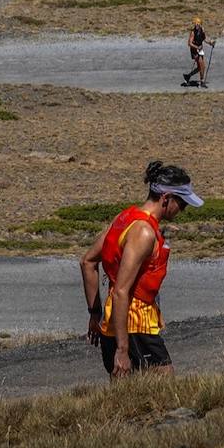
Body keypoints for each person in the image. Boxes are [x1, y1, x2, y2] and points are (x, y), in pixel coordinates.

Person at [80, 160, 203, 377]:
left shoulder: (124, 218)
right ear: (166, 198)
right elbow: (121, 291)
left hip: (112, 320)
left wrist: (95, 314)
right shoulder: (144, 233)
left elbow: (88, 262)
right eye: (182, 204)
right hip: (135, 323)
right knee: (165, 382)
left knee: (124, 397)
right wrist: (122, 350)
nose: (182, 210)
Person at [182, 16, 214, 87]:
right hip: (194, 50)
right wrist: (197, 47)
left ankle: (188, 76)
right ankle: (202, 82)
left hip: (200, 49)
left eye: (197, 24)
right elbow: (189, 43)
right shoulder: (193, 32)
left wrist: (210, 43)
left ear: (200, 24)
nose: (196, 25)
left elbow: (204, 39)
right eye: (195, 24)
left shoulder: (202, 30)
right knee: (201, 66)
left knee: (202, 67)